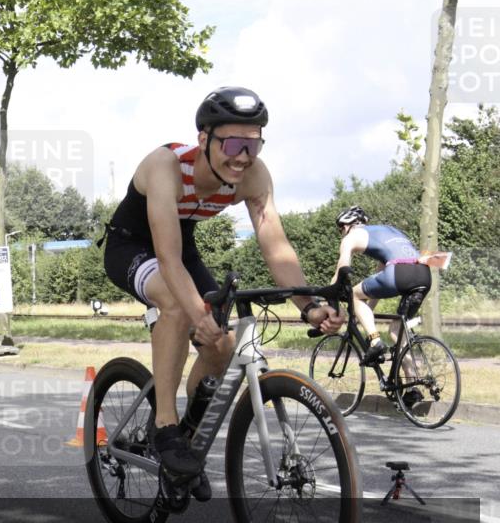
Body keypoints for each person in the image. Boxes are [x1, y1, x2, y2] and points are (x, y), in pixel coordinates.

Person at [102, 86, 343, 493]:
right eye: (233, 144)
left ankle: (188, 442)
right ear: (204, 139)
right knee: (178, 307)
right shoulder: (165, 167)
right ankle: (165, 427)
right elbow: (168, 260)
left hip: (183, 248)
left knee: (223, 344)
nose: (243, 156)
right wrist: (198, 314)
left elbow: (276, 245)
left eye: (253, 144)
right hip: (132, 246)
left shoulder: (254, 176)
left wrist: (310, 304)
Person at [331, 206, 437, 406]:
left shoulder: (352, 236)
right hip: (423, 274)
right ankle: (412, 388)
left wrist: (330, 291)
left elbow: (342, 267)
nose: (341, 233)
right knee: (397, 331)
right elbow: (378, 280)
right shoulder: (389, 231)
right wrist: (366, 312)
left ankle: (375, 342)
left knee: (353, 294)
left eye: (340, 229)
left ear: (346, 225)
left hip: (400, 272)